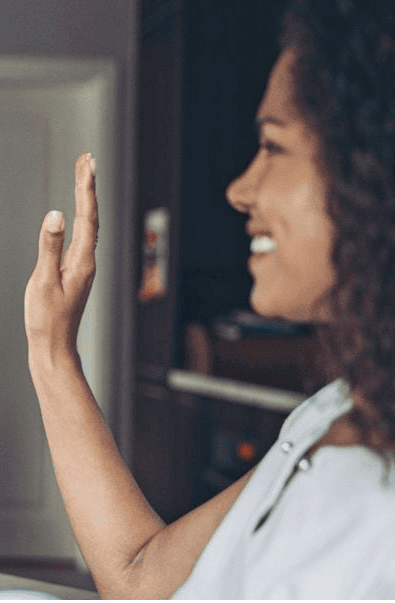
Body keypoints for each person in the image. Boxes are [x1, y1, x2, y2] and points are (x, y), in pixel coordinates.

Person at [23, 1, 395, 598]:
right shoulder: (333, 414)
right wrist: (50, 348)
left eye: (273, 147)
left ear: (372, 171)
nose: (239, 189)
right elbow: (140, 576)